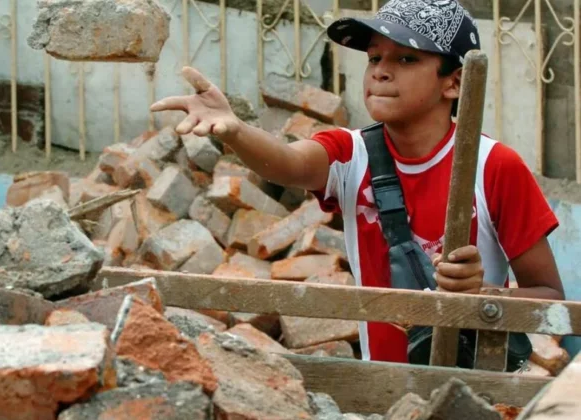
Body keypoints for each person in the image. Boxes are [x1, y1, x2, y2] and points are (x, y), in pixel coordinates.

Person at [150, 0, 565, 363]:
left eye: (406, 59)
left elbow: (550, 297)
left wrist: (484, 297)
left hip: (482, 392)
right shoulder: (351, 155)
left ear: (454, 82)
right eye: (374, 58)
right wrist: (235, 130)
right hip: (382, 391)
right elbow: (289, 163)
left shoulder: (494, 166)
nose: (380, 72)